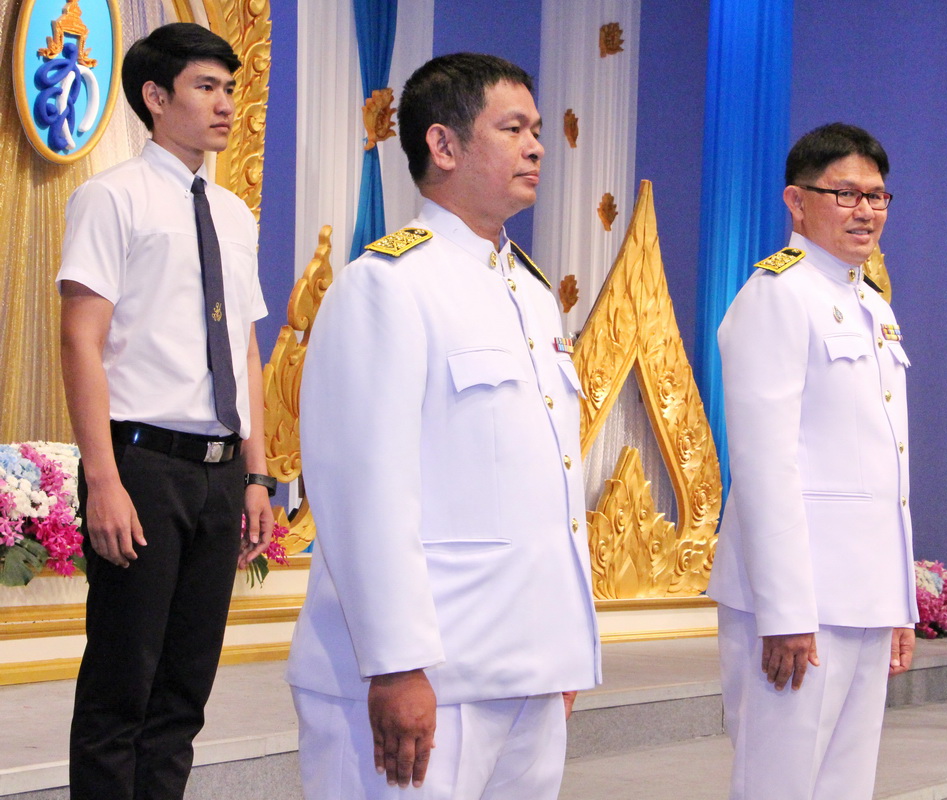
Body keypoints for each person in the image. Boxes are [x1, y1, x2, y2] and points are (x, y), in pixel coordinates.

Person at [286, 53, 600, 800]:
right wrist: (397, 665)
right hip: (426, 672)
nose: (536, 147)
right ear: (445, 145)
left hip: (526, 667)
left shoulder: (532, 293)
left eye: (537, 130)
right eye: (513, 129)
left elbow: (549, 486)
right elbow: (364, 491)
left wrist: (560, 652)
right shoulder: (388, 285)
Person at [56, 23, 273, 800]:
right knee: (122, 687)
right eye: (205, 87)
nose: (225, 105)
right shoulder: (110, 197)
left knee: (184, 693)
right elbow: (81, 341)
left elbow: (245, 350)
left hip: (220, 474)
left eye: (229, 89)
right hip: (142, 466)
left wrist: (258, 476)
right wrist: (103, 479)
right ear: (155, 96)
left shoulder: (235, 213)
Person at [709, 122, 918, 800]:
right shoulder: (777, 294)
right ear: (796, 202)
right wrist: (786, 612)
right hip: (801, 600)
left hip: (863, 593)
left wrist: (898, 603)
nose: (866, 211)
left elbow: (887, 471)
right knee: (779, 782)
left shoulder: (871, 305)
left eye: (877, 196)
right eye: (846, 194)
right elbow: (765, 464)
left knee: (845, 786)